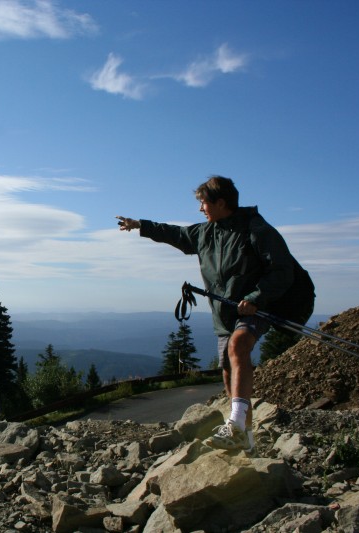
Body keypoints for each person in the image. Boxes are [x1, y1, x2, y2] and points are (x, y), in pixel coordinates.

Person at [116, 175, 311, 451]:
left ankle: (236, 426)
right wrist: (140, 225)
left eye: (203, 203)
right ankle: (245, 434)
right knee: (228, 367)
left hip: (255, 307)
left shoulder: (257, 229)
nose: (200, 209)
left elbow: (282, 270)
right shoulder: (205, 233)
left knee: (238, 345)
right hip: (224, 312)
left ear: (221, 203)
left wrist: (256, 298)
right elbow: (175, 233)